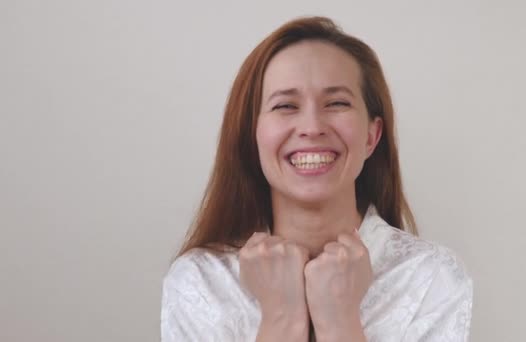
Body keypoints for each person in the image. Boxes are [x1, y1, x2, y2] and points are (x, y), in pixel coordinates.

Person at [161, 16, 473, 342]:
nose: (312, 127)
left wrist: (340, 323)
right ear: (252, 136)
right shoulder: (200, 283)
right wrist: (281, 317)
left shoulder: (431, 278)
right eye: (285, 105)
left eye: (336, 103)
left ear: (371, 135)